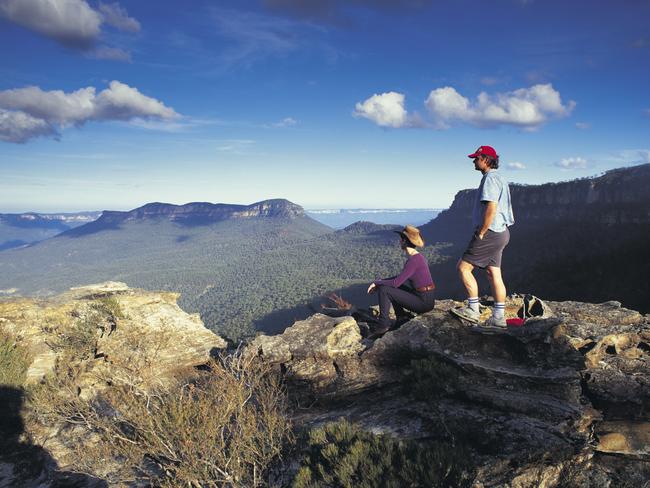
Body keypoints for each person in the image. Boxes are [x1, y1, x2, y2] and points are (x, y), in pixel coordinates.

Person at [451, 145, 514, 328]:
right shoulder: (499, 178)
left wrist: (481, 231)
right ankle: (498, 317)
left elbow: (491, 207)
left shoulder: (490, 179)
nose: (473, 161)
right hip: (502, 232)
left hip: (491, 232)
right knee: (493, 272)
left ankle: (472, 309)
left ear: (486, 159)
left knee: (463, 268)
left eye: (476, 158)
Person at [367, 225, 436, 336]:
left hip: (423, 302)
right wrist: (380, 281)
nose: (399, 241)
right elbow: (399, 278)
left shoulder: (414, 260)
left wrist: (377, 283)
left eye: (401, 239)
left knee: (385, 289)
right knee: (389, 287)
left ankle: (383, 325)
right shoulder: (417, 258)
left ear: (404, 241)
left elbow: (396, 282)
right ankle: (401, 317)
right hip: (424, 296)